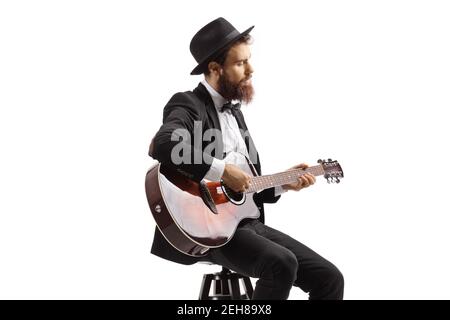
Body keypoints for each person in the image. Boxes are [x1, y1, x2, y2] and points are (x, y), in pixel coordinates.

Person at [148, 17, 344, 300]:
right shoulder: (188, 104)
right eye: (241, 63)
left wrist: (281, 185)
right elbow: (164, 144)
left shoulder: (236, 115)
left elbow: (243, 190)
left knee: (329, 278)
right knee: (281, 263)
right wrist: (222, 171)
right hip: (207, 229)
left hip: (245, 225)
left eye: (249, 61)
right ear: (215, 68)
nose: (251, 70)